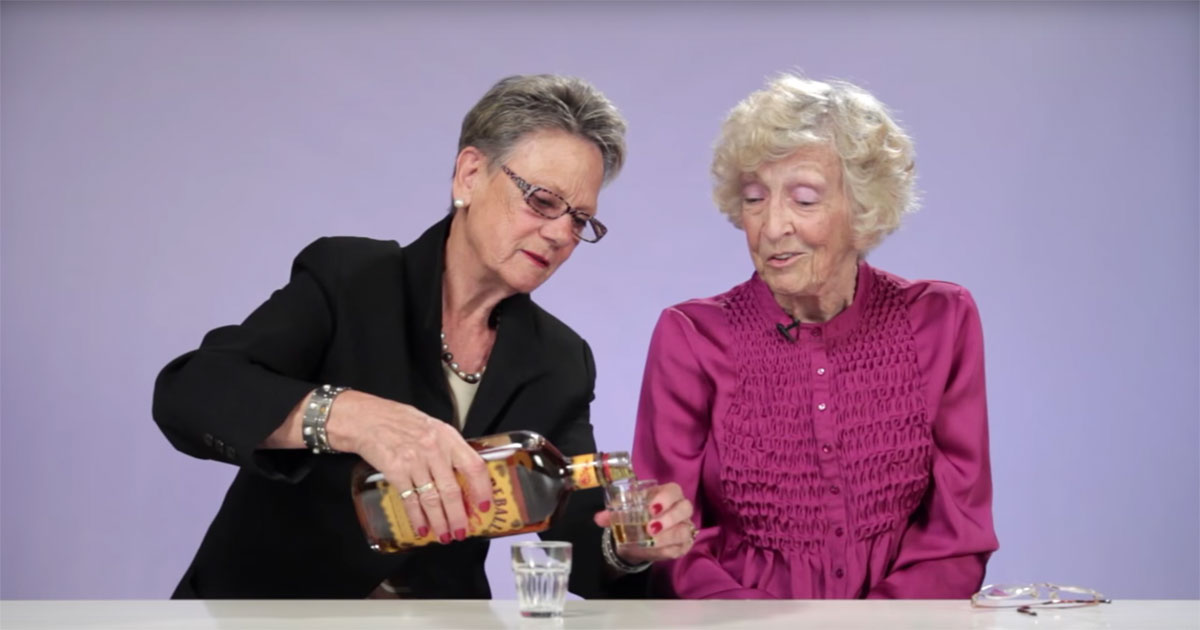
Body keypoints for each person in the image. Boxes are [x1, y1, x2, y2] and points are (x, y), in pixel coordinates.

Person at [153, 74, 695, 599]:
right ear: (469, 175)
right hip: (269, 610)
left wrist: (630, 546)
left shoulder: (560, 358)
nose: (559, 234)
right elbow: (191, 392)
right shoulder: (350, 278)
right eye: (542, 201)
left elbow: (582, 531)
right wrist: (352, 417)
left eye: (579, 220)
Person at [632, 73, 998, 599]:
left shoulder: (941, 319)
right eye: (754, 199)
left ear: (864, 210)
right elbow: (669, 544)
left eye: (804, 200)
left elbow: (957, 537)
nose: (772, 226)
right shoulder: (691, 336)